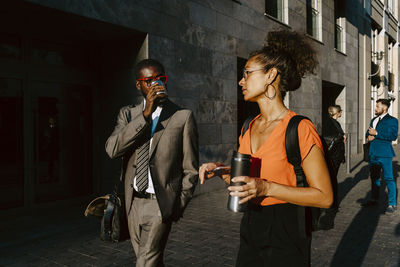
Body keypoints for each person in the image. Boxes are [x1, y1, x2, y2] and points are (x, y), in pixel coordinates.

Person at [199, 30, 333, 267]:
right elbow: (250, 181)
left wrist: (267, 187)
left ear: (271, 75)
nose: (241, 81)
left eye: (247, 73)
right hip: (251, 225)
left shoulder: (299, 128)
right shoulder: (248, 126)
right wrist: (224, 172)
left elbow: (324, 197)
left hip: (287, 229)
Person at [105, 59, 199, 266]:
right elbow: (112, 149)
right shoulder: (128, 114)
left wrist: (176, 205)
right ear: (139, 85)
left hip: (160, 204)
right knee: (149, 260)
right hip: (132, 203)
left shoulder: (182, 117)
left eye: (160, 79)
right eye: (149, 81)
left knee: (146, 262)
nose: (156, 84)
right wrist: (145, 115)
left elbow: (191, 169)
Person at [361, 99, 398, 213]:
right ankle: (374, 199)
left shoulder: (393, 120)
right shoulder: (374, 119)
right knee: (374, 178)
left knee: (389, 178)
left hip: (385, 153)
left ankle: (392, 204)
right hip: (373, 153)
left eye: (377, 106)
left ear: (385, 108)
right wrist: (368, 136)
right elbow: (369, 132)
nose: (375, 108)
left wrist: (376, 134)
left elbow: (393, 136)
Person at [324, 105, 346, 177]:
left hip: (336, 153)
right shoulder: (328, 122)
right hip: (332, 153)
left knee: (333, 174)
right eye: (340, 111)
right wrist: (341, 137)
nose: (341, 112)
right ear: (337, 112)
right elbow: (327, 136)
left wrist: (342, 136)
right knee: (332, 175)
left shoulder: (336, 123)